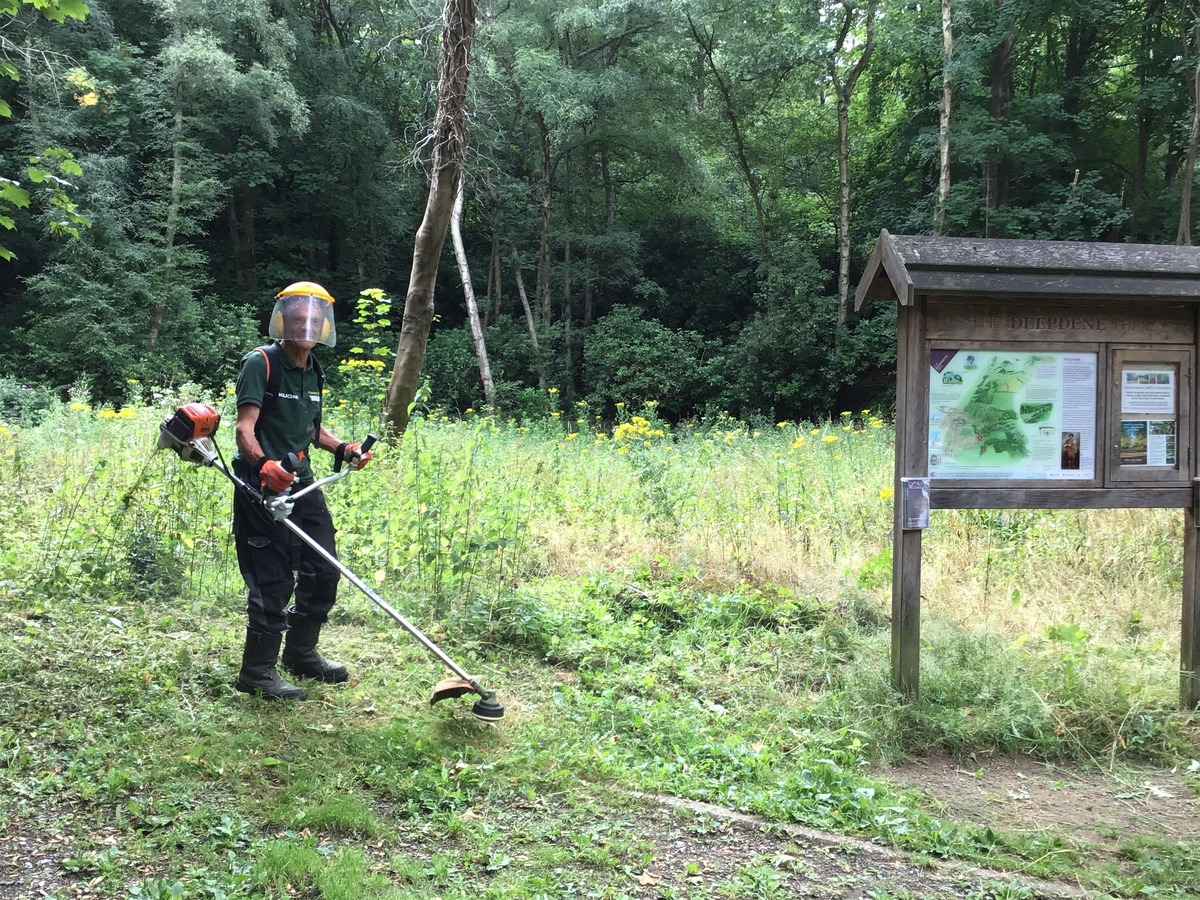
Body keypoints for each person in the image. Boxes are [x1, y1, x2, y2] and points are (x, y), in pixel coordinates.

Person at [231, 281, 372, 701]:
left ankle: (300, 651)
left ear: (324, 323)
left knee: (324, 566)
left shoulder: (313, 370)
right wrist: (264, 466)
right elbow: (243, 429)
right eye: (298, 315)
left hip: (304, 485)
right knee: (272, 578)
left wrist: (343, 449)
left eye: (314, 316)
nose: (306, 322)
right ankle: (257, 672)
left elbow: (312, 429)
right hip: (262, 488)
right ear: (284, 319)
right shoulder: (261, 363)